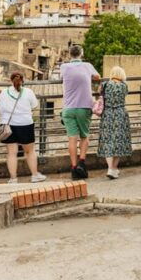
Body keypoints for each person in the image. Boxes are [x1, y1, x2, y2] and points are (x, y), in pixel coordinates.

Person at [0, 72, 47, 184]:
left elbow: (0, 109)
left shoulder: (4, 92)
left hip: (8, 125)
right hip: (25, 124)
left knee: (11, 153)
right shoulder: (28, 92)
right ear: (22, 80)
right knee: (29, 151)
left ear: (11, 80)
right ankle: (34, 175)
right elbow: (34, 105)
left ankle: (13, 179)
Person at [61, 45, 101, 180]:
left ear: (70, 54)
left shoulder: (64, 67)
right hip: (84, 106)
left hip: (68, 108)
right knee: (84, 136)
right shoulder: (87, 66)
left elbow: (62, 78)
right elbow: (97, 77)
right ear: (81, 54)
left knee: (72, 139)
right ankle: (82, 163)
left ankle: (73, 168)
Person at [97, 66, 133, 179]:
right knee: (119, 141)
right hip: (120, 113)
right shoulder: (124, 86)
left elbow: (99, 93)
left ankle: (110, 168)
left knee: (108, 140)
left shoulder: (104, 84)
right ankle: (113, 168)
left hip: (107, 113)